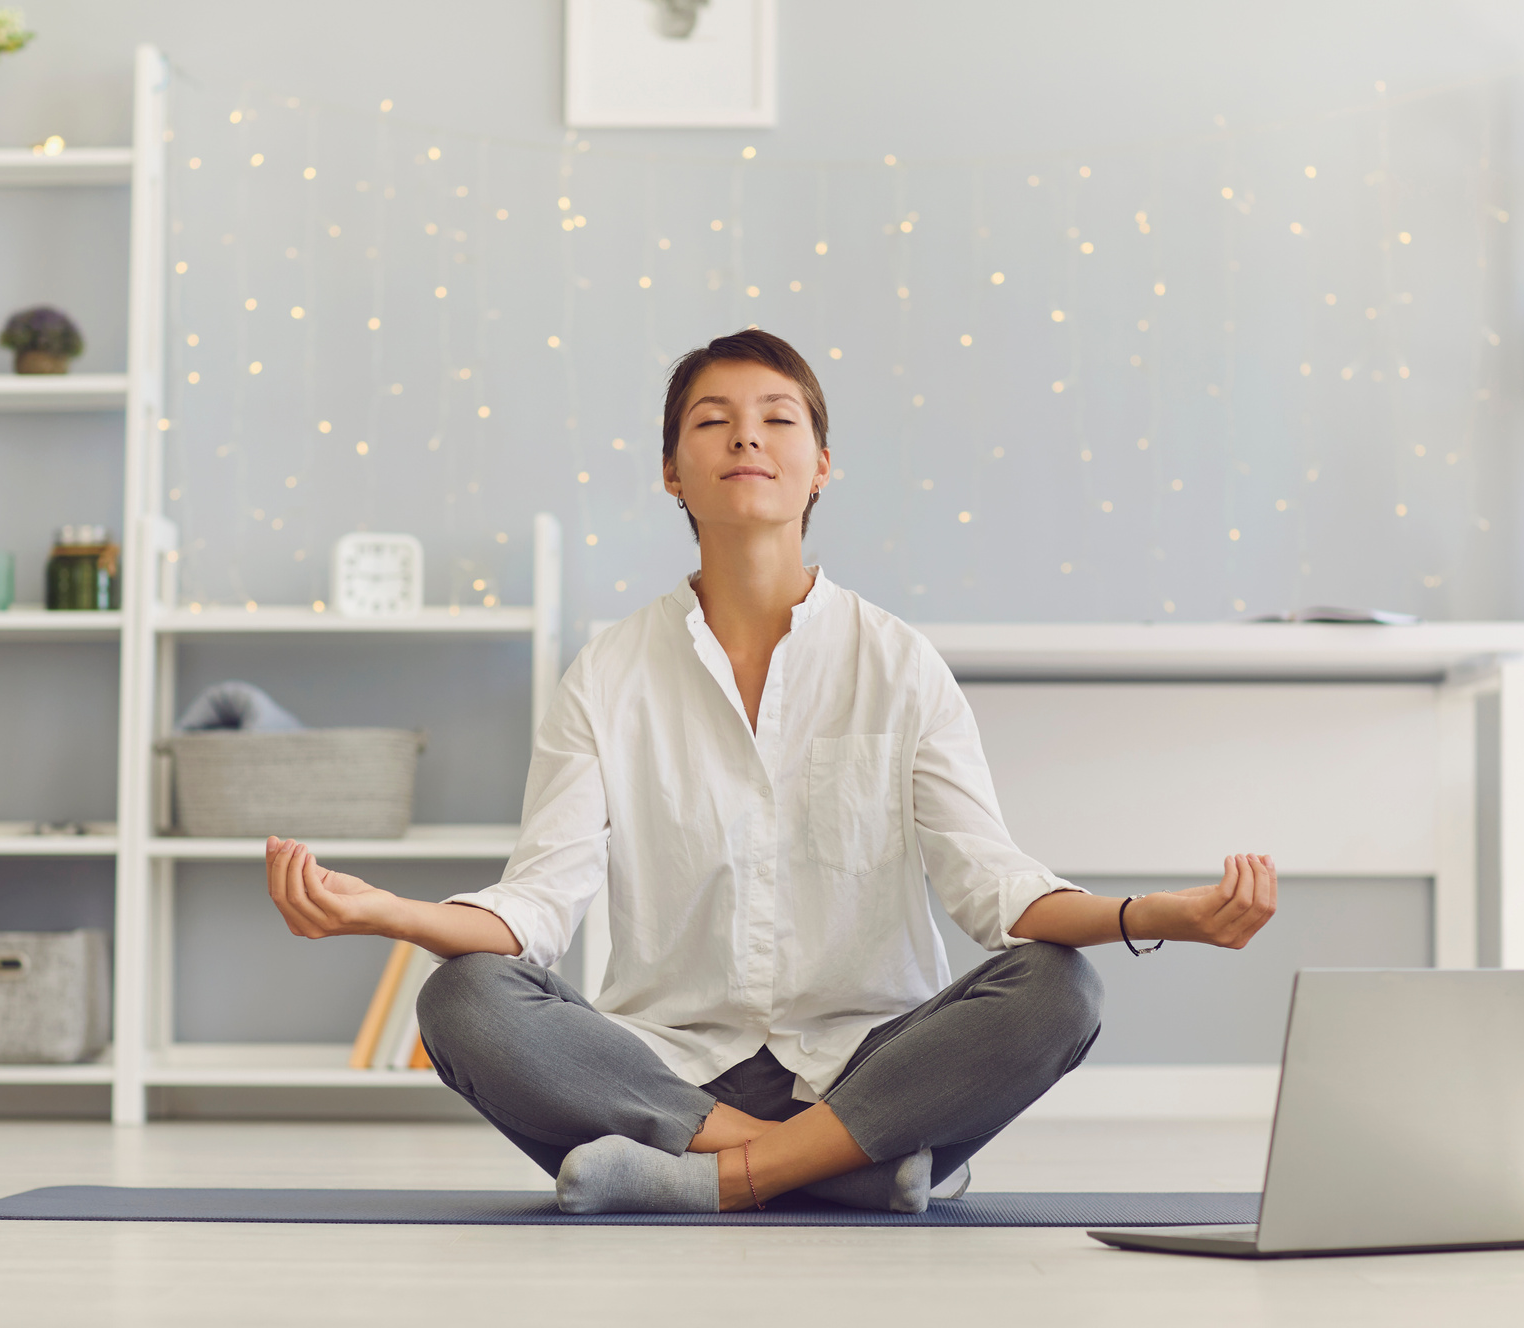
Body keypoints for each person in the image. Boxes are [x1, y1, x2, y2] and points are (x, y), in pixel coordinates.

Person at [265, 328, 1278, 1215]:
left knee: (1060, 987)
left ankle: (707, 1179)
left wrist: (1157, 913)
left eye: (776, 416)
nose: (745, 436)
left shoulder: (896, 661)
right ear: (671, 470)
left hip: (873, 1066)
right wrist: (385, 911)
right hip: (665, 1074)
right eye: (711, 419)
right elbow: (536, 905)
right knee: (460, 1001)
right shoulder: (607, 672)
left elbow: (994, 887)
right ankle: (841, 1172)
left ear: (820, 464)